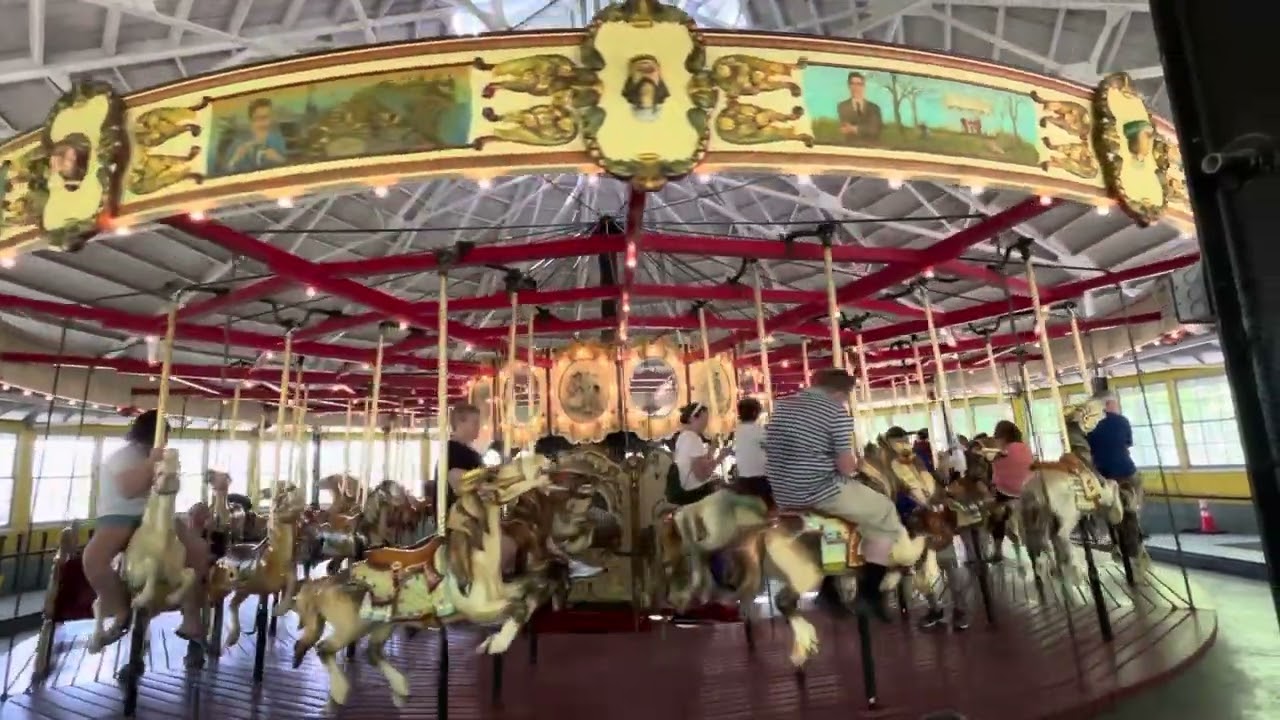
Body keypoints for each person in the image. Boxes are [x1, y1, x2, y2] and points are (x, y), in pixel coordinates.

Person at [766, 368, 904, 621]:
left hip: (782, 491)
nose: (844, 402)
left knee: (843, 520)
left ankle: (830, 588)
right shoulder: (836, 413)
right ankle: (869, 593)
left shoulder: (783, 407)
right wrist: (854, 465)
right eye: (845, 397)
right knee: (884, 510)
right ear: (841, 393)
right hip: (818, 488)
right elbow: (845, 466)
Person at [81, 411, 209, 646]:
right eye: (164, 435)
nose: (166, 440)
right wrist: (151, 464)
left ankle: (191, 616)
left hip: (156, 515)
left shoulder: (158, 456)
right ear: (153, 434)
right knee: (93, 560)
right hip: (120, 517)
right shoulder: (123, 457)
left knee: (198, 550)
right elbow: (129, 489)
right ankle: (120, 611)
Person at [1086, 391, 1144, 554]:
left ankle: (1115, 539)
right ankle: (1135, 516)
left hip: (1103, 474)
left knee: (1108, 508)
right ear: (1108, 405)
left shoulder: (1089, 425)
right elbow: (1126, 444)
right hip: (1126, 470)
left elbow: (1087, 451)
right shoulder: (1122, 421)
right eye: (1115, 403)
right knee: (1135, 492)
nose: (1117, 406)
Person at [989, 420, 1035, 562]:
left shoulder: (1002, 451)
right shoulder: (1025, 448)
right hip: (1028, 489)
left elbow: (997, 474)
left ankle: (997, 549)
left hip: (1008, 492)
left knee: (995, 515)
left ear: (1002, 436)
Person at [668, 403, 730, 506]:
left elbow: (700, 464)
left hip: (684, 485)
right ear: (693, 419)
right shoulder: (693, 438)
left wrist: (712, 450)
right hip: (692, 490)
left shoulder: (683, 436)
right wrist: (720, 458)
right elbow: (702, 475)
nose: (705, 423)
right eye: (704, 419)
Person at [220, 98, 288, 174]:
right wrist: (235, 159)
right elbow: (224, 174)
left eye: (266, 117)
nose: (263, 123)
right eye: (259, 118)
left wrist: (278, 158)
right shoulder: (237, 145)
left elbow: (290, 169)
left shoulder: (278, 141)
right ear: (251, 121)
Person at [731, 397, 771, 507]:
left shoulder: (738, 430)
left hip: (743, 478)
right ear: (755, 413)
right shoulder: (758, 430)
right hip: (760, 478)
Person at [835, 72, 883, 143]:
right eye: (852, 84)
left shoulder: (874, 108)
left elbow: (874, 129)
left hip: (871, 148)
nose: (855, 87)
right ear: (849, 86)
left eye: (859, 84)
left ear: (863, 86)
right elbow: (844, 128)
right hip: (850, 148)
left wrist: (854, 129)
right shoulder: (842, 106)